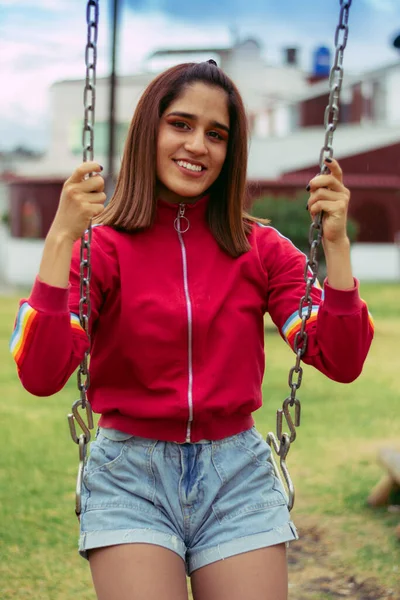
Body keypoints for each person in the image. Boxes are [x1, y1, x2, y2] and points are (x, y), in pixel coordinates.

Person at [10, 60, 374, 600]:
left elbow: (341, 360)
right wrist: (62, 237)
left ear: (231, 152)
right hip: (130, 474)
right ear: (148, 132)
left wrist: (338, 250)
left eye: (216, 134)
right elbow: (40, 374)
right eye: (180, 124)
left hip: (236, 475)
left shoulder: (260, 248)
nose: (198, 145)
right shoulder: (101, 249)